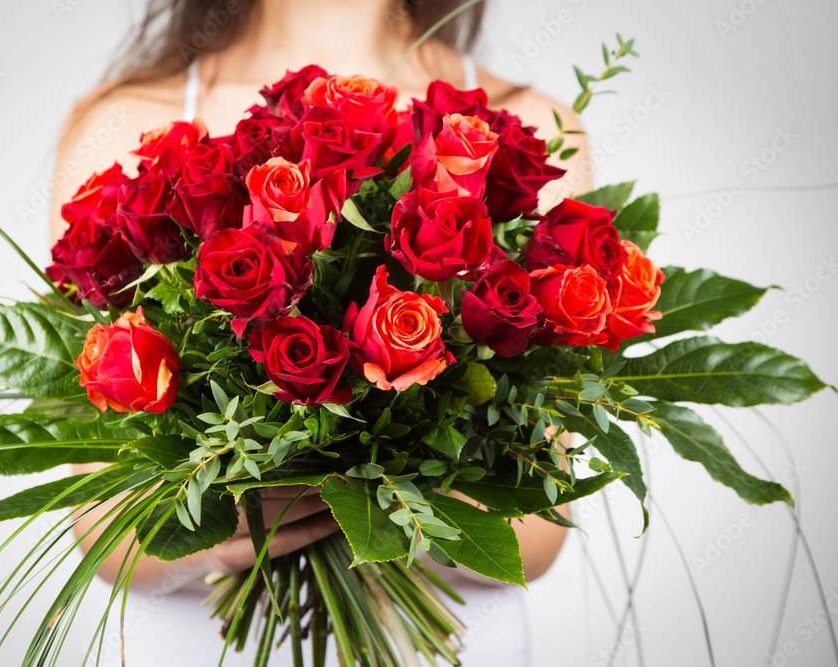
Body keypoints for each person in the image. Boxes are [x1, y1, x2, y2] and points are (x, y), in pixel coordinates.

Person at [49, 1, 591, 664]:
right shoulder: (122, 122)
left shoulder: (535, 123)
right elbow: (104, 525)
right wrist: (218, 527)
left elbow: (541, 530)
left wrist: (385, 483)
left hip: (445, 642)